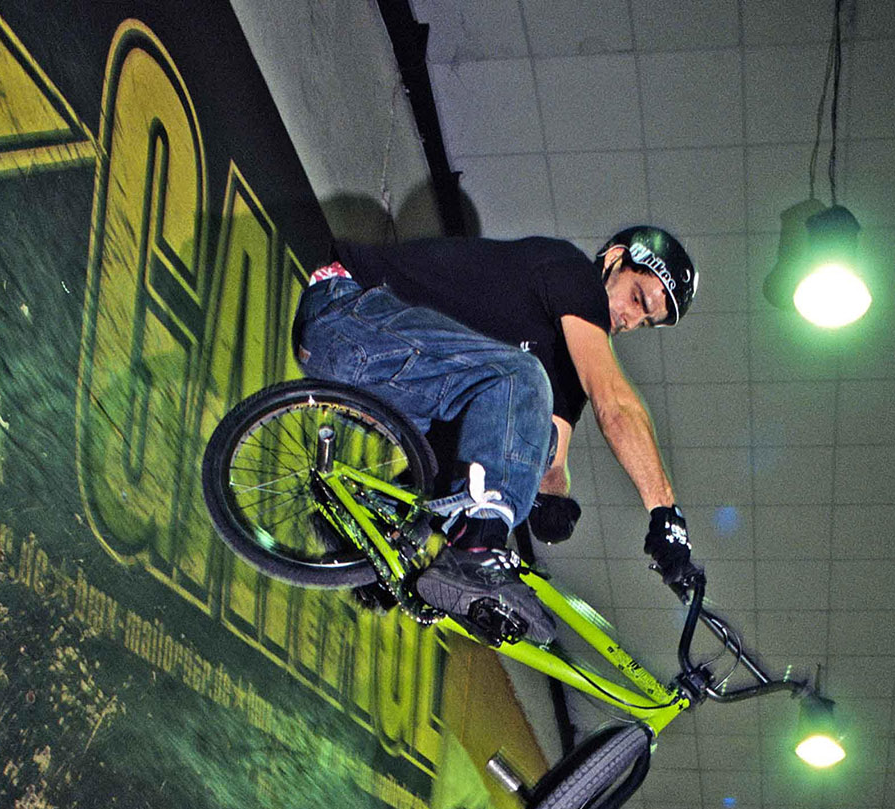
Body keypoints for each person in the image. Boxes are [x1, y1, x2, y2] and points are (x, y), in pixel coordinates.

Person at [292, 226, 699, 642]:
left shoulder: (563, 373)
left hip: (381, 375)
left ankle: (368, 530)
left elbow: (548, 456)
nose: (631, 320)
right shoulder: (572, 274)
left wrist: (553, 501)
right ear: (613, 259)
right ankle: (475, 554)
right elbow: (614, 403)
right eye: (636, 298)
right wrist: (665, 512)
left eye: (646, 322)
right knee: (519, 376)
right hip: (348, 313)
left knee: (487, 455)